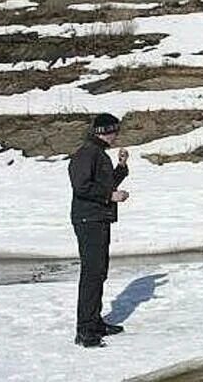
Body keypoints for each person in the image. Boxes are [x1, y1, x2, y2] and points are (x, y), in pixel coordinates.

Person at [68, 113, 130, 348]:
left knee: (99, 271)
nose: (117, 137)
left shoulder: (98, 153)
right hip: (88, 220)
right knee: (92, 274)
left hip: (96, 218)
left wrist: (121, 167)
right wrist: (110, 196)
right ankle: (85, 330)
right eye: (115, 132)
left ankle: (94, 322)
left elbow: (105, 183)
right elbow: (81, 185)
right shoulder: (87, 153)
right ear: (104, 131)